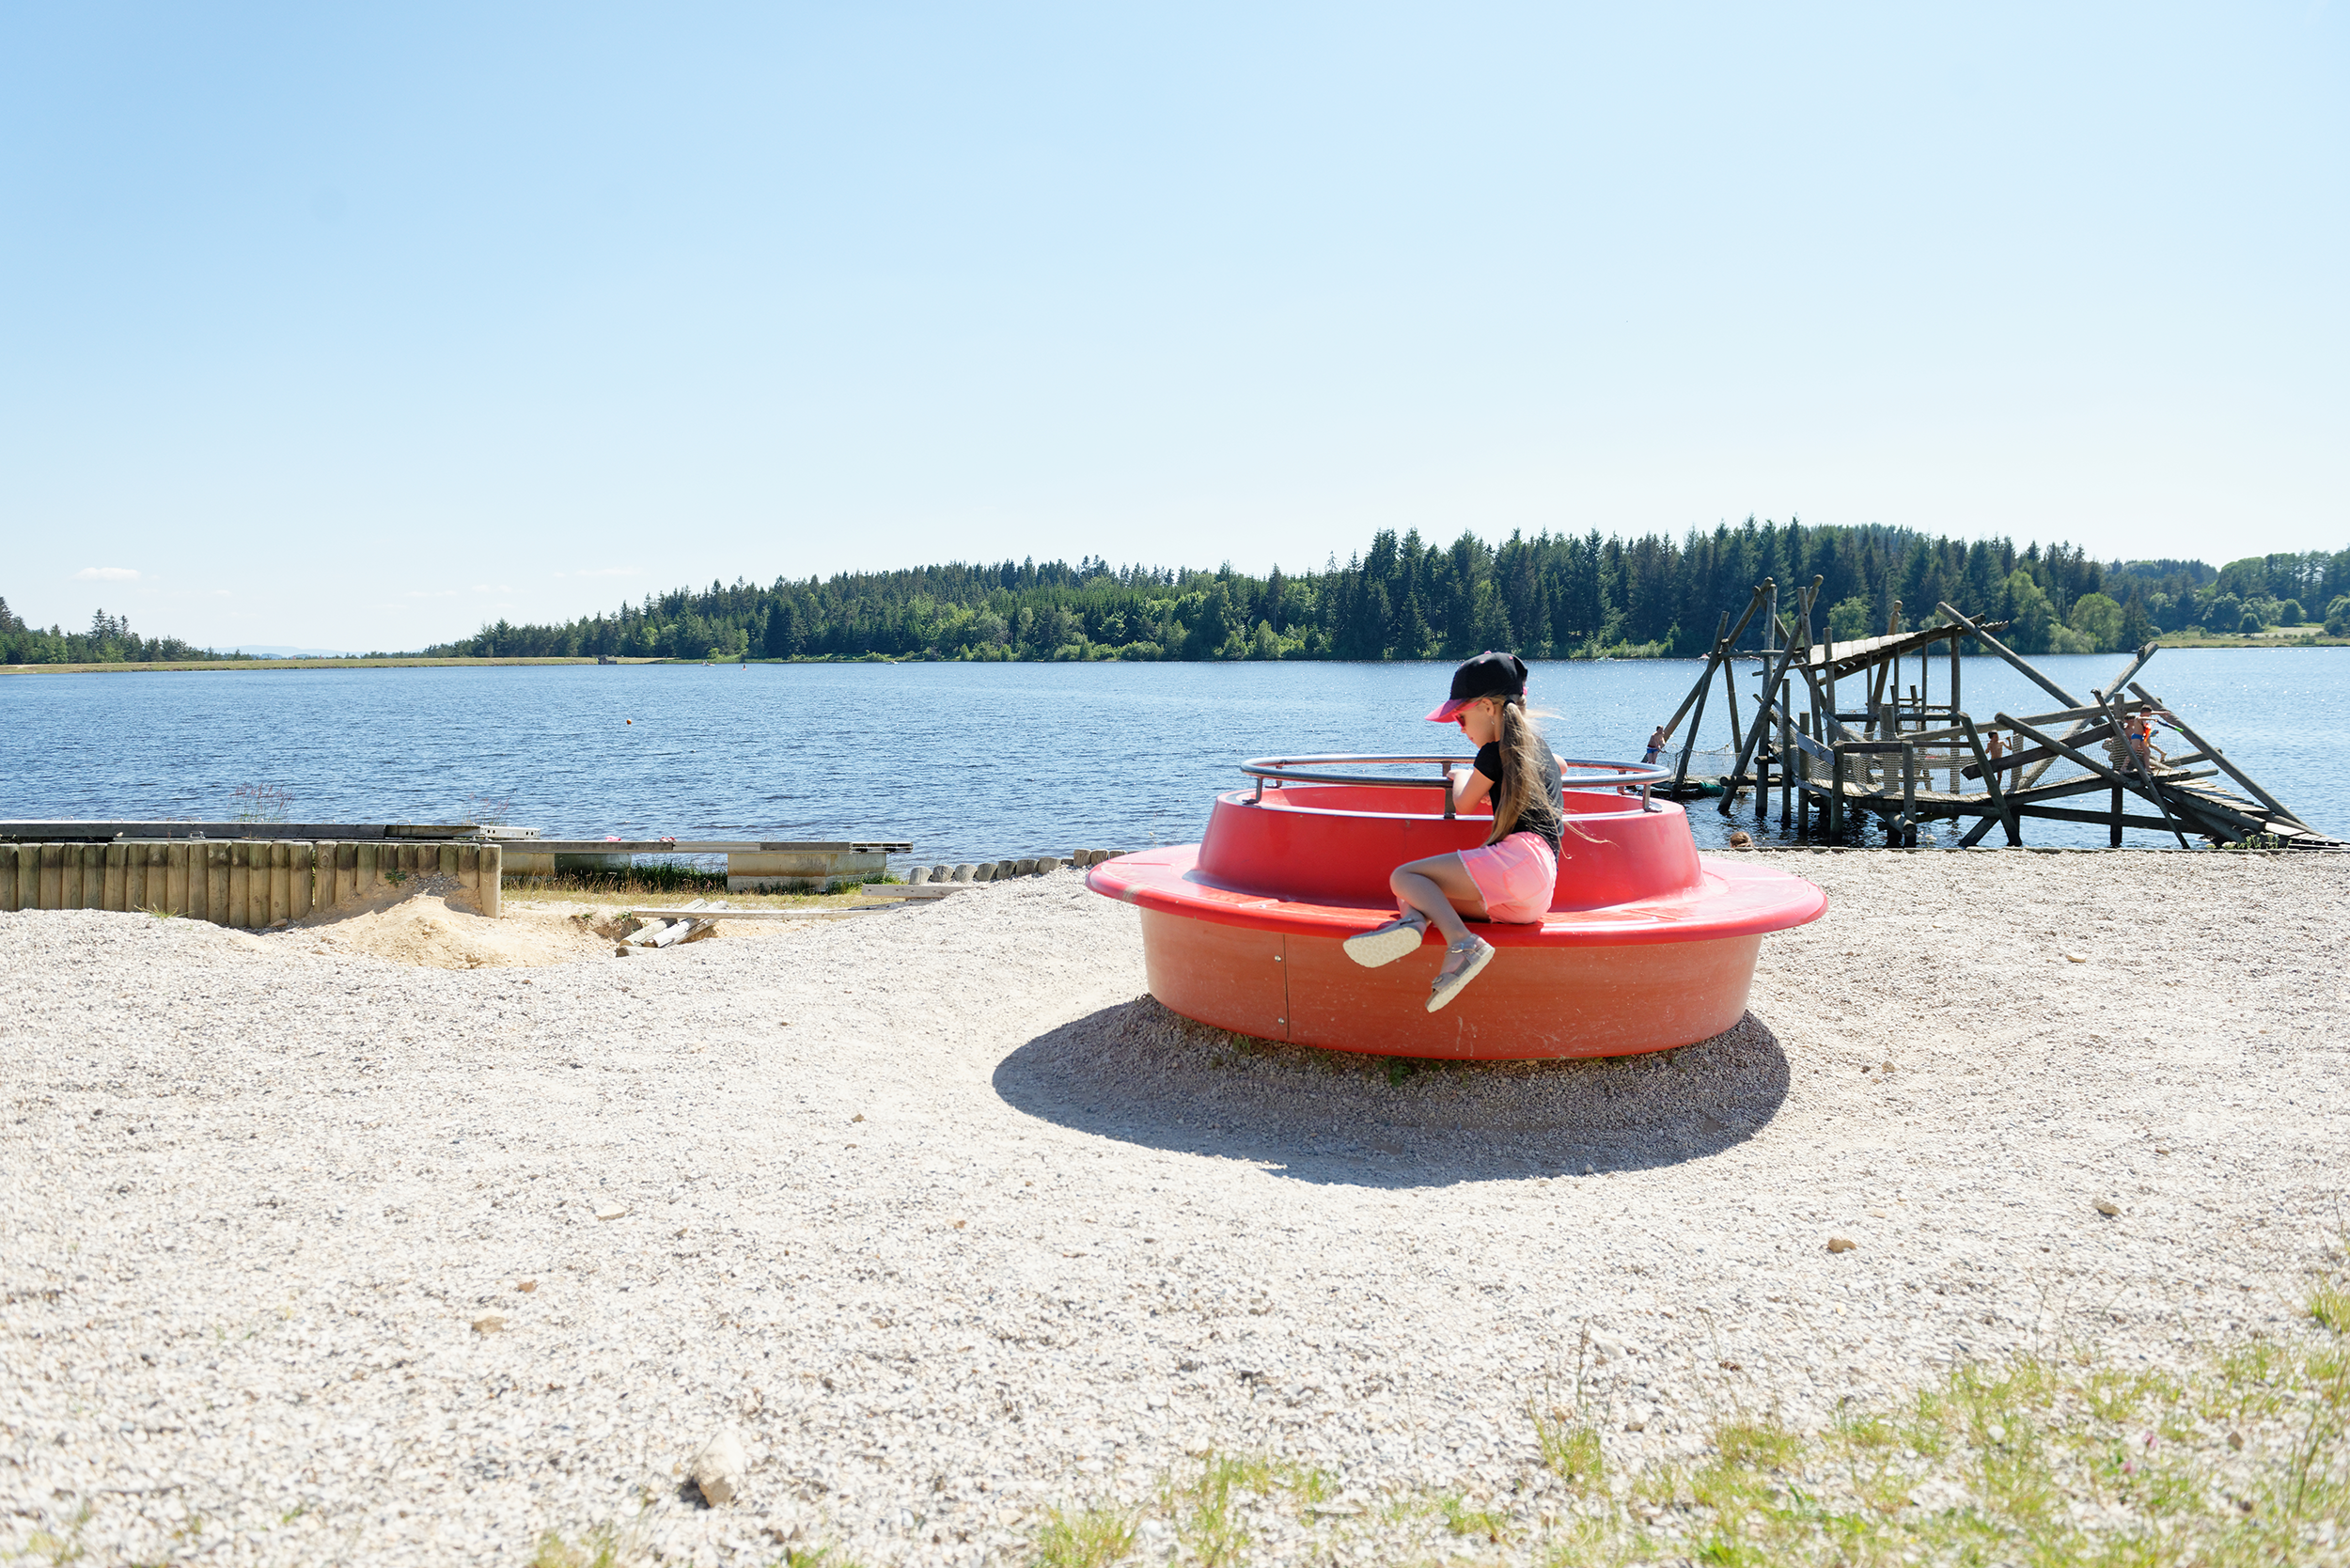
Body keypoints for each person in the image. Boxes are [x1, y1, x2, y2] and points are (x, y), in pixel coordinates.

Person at [1341, 651, 1565, 1012]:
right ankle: (1412, 924)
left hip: (1519, 858)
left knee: (1405, 876)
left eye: (1461, 718)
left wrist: (1462, 775)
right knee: (1419, 894)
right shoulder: (1535, 749)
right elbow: (1562, 766)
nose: (1461, 729)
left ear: (1489, 709)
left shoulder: (1494, 752)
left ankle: (1462, 943)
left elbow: (1463, 803)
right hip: (1537, 893)